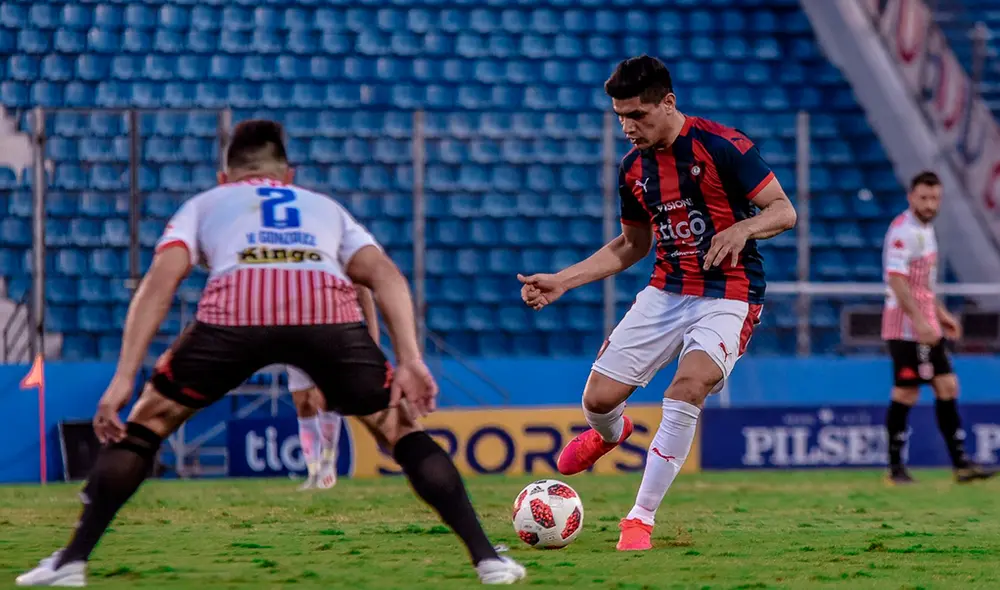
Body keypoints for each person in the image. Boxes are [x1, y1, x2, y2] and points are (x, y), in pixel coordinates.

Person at [17, 120, 525, 587]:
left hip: (234, 314)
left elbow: (161, 282)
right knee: (400, 430)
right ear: (289, 173)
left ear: (224, 174)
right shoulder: (324, 207)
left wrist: (124, 378)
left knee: (147, 424)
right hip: (327, 315)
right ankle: (488, 560)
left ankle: (71, 562)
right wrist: (411, 359)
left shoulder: (204, 203)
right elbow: (385, 276)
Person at [518, 55, 796, 552]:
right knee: (598, 401)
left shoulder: (722, 146)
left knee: (686, 388)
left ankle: (639, 518)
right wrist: (563, 281)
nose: (628, 127)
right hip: (666, 291)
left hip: (729, 295)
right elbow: (631, 245)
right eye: (621, 116)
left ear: (668, 103)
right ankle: (610, 433)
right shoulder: (633, 169)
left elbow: (783, 210)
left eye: (638, 115)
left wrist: (742, 227)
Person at [882, 171, 996, 485]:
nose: (930, 204)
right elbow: (897, 280)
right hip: (906, 327)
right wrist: (919, 320)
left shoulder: (926, 230)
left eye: (934, 198)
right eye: (924, 198)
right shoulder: (903, 231)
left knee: (947, 386)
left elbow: (923, 285)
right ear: (911, 197)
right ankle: (895, 469)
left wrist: (940, 313)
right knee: (906, 391)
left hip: (925, 322)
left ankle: (961, 464)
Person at [289, 286, 380, 491]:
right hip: (294, 332)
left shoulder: (333, 258)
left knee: (326, 397)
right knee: (303, 403)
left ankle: (328, 461)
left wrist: (373, 337)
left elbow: (364, 292)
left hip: (331, 330)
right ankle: (312, 470)